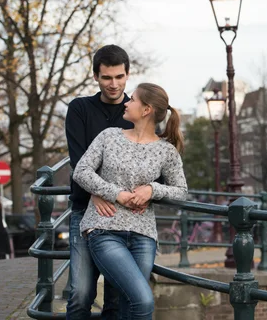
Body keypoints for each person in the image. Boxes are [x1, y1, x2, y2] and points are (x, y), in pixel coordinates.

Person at [73, 82, 188, 320]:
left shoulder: (166, 151)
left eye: (132, 99)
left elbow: (181, 191)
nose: (126, 102)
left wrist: (152, 189)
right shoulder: (109, 136)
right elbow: (81, 172)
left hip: (143, 235)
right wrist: (116, 194)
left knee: (128, 304)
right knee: (143, 299)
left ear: (146, 110)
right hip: (104, 229)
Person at [65, 45, 139, 319]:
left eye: (119, 77)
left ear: (128, 74)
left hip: (123, 215)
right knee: (80, 293)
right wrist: (96, 192)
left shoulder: (137, 111)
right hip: (85, 208)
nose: (114, 84)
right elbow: (79, 158)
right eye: (107, 77)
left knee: (117, 298)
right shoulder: (80, 108)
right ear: (96, 76)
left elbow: (141, 164)